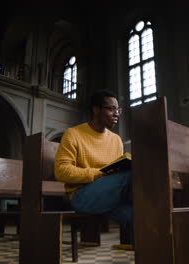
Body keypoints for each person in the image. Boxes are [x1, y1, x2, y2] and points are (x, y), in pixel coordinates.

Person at [54, 89, 134, 249]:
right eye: (111, 109)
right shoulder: (73, 134)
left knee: (137, 213)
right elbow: (61, 171)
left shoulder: (116, 140)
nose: (117, 114)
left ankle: (139, 246)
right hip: (80, 196)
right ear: (96, 109)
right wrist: (98, 174)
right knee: (132, 175)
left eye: (118, 110)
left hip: (109, 195)